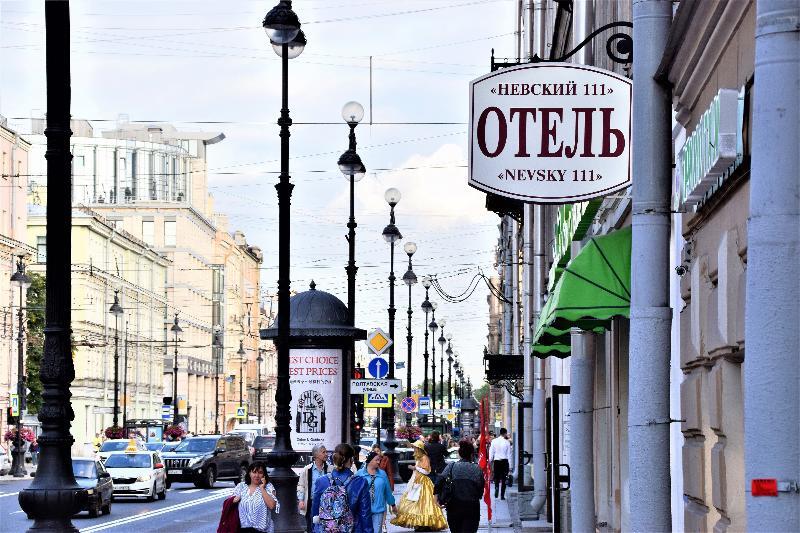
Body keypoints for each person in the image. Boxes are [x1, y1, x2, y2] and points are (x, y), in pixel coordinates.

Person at [311, 443, 373, 533]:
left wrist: (315, 529)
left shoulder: (321, 481)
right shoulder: (360, 483)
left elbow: (315, 512)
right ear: (351, 460)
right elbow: (365, 515)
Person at [390, 439, 447, 531]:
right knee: (414, 502)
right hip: (417, 482)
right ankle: (419, 523)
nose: (414, 450)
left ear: (420, 449)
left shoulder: (424, 457)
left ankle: (425, 524)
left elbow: (426, 471)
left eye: (416, 448)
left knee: (424, 503)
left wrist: (414, 467)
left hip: (423, 482)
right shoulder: (419, 458)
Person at [435, 439, 484, 533]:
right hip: (472, 507)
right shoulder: (477, 469)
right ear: (471, 454)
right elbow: (480, 489)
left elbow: (439, 481)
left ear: (460, 454)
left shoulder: (451, 466)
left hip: (453, 506)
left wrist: (436, 498)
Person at [356, 451, 397, 533]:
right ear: (370, 461)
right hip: (363, 511)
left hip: (379, 510)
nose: (379, 462)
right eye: (376, 460)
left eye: (379, 460)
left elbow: (387, 491)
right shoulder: (359, 474)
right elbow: (355, 493)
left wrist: (392, 504)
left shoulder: (382, 474)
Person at [232, 461, 279, 533]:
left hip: (262, 530)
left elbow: (272, 506)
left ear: (264, 475)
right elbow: (230, 504)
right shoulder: (241, 487)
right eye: (254, 472)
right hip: (242, 529)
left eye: (260, 472)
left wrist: (262, 488)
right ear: (249, 473)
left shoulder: (268, 487)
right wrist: (234, 500)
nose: (257, 475)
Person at [298, 445, 329, 532]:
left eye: (326, 452)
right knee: (311, 526)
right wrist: (301, 500)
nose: (326, 454)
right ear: (316, 455)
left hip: (326, 504)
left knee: (325, 526)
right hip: (312, 502)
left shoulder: (330, 469)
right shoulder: (307, 469)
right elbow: (301, 485)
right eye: (323, 452)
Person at [489, 427, 511, 500]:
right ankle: (502, 496)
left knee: (497, 477)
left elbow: (491, 451)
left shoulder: (494, 441)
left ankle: (496, 487)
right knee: (504, 479)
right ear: (505, 433)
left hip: (497, 461)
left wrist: (490, 460)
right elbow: (509, 455)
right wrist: (510, 466)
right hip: (504, 461)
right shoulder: (507, 442)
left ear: (500, 433)